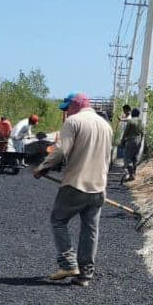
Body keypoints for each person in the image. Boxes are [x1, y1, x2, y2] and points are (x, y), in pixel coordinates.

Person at [33, 92, 113, 286]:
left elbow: (60, 150)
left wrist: (43, 167)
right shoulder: (106, 125)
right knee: (90, 230)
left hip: (76, 184)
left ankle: (68, 263)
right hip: (98, 187)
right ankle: (85, 274)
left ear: (75, 106)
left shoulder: (74, 121)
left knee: (58, 221)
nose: (66, 112)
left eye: (67, 108)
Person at [120, 108, 144, 182]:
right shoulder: (141, 122)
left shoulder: (130, 121)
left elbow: (126, 132)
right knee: (134, 158)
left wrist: (122, 141)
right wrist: (141, 142)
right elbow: (143, 133)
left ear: (132, 114)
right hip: (139, 141)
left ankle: (131, 175)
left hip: (131, 141)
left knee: (127, 158)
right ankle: (134, 174)